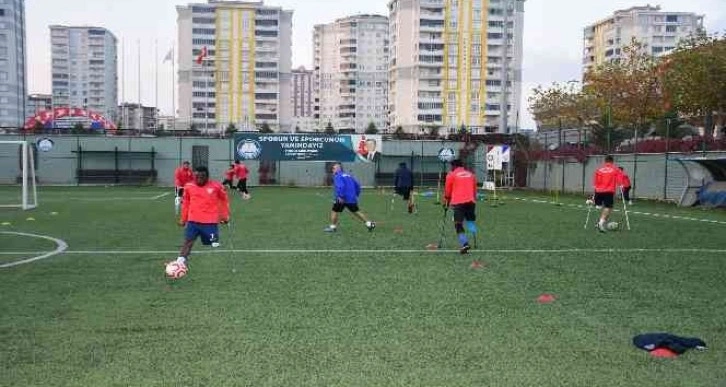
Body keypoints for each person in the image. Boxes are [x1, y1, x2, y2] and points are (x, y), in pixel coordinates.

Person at [172, 166, 230, 272]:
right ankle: (179, 262)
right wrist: (183, 219)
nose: (199, 179)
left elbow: (223, 200)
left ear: (207, 177)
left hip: (210, 222)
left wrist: (224, 216)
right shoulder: (188, 186)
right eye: (197, 177)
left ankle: (211, 239)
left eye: (202, 177)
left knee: (210, 242)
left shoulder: (216, 186)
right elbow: (186, 204)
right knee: (188, 241)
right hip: (193, 221)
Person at [324, 162, 376, 233]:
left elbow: (341, 186)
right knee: (356, 211)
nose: (332, 170)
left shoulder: (338, 176)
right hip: (351, 198)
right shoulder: (349, 176)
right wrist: (356, 195)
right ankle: (369, 224)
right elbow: (357, 186)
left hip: (342, 199)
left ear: (337, 169)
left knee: (334, 211)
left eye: (333, 168)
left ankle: (333, 227)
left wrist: (340, 196)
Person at [444, 159, 478, 254]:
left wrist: (446, 201)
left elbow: (447, 191)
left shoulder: (451, 175)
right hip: (471, 202)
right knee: (470, 221)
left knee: (458, 224)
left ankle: (464, 243)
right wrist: (474, 199)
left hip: (459, 203)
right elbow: (475, 189)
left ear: (454, 166)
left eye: (451, 167)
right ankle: (475, 241)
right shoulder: (471, 175)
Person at [593, 155, 622, 232]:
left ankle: (599, 221)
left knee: (601, 206)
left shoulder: (599, 169)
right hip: (608, 191)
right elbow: (619, 180)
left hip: (598, 191)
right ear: (612, 161)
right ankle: (600, 223)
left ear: (605, 161)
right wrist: (621, 185)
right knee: (608, 207)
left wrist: (596, 187)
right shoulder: (615, 169)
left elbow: (595, 181)